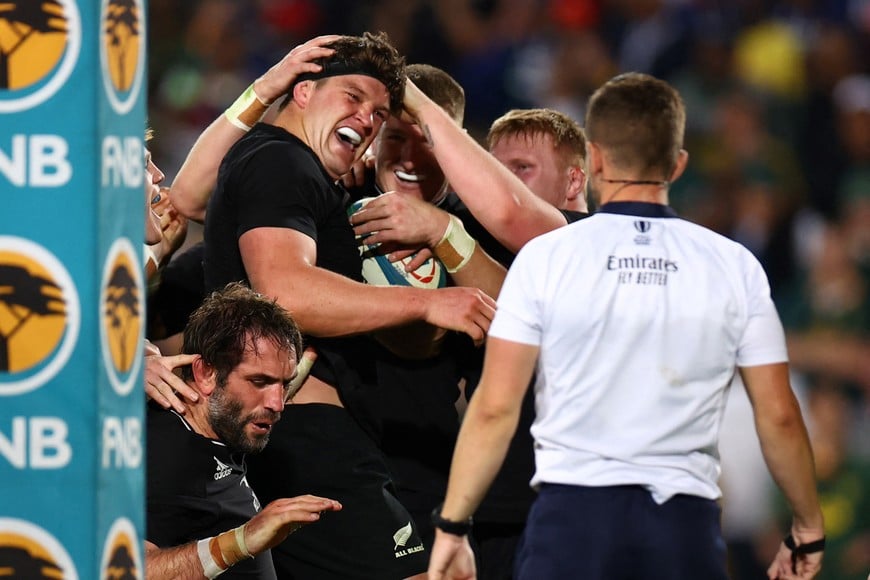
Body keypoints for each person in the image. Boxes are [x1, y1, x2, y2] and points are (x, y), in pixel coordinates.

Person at [427, 72, 826, 580]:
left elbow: (494, 408)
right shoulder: (734, 265)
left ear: (593, 161)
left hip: (570, 525)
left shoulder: (547, 258)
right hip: (684, 527)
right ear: (678, 164)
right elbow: (779, 415)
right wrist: (807, 526)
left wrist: (453, 526)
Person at [197, 33, 496, 580]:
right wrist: (427, 305)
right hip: (308, 435)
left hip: (284, 435)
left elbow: (189, 198)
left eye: (380, 111)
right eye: (353, 96)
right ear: (305, 91)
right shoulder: (281, 163)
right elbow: (284, 291)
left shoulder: (297, 169)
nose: (367, 117)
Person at [145, 282, 342, 579]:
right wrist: (242, 540)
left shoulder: (219, 428)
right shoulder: (167, 457)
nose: (278, 404)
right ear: (207, 373)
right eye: (259, 382)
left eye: (285, 383)